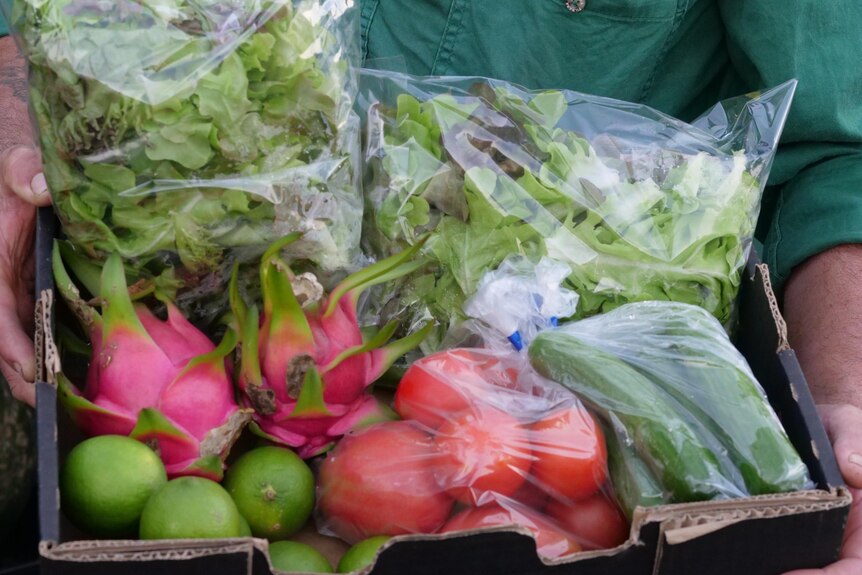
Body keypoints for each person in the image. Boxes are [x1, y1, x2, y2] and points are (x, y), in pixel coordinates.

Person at [1, 3, 860, 573]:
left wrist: (847, 397)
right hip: (208, 297)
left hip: (549, 328)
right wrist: (14, 145)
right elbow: (34, 28)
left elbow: (838, 155)